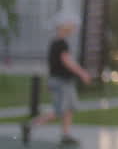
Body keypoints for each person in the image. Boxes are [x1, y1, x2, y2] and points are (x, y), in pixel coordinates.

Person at [22, 11, 93, 147]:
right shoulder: (60, 43)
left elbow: (65, 61)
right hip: (61, 82)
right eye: (71, 25)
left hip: (63, 81)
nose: (73, 28)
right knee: (59, 111)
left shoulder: (58, 42)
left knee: (69, 109)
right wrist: (83, 73)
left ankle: (65, 135)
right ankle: (29, 126)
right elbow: (67, 61)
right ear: (64, 26)